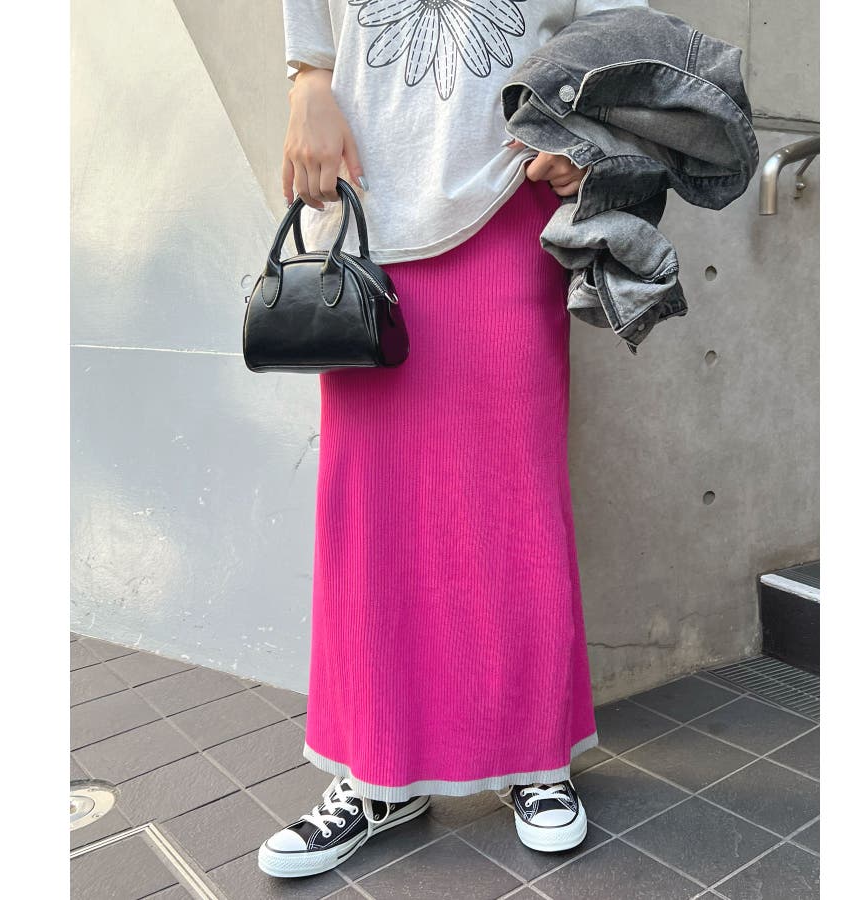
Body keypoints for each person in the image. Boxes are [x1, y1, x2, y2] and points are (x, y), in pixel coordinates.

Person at [258, 0, 649, 879]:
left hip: (506, 195)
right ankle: (377, 775)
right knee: (372, 513)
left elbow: (621, 22)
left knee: (515, 497)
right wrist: (309, 81)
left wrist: (587, 129)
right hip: (366, 208)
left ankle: (534, 758)